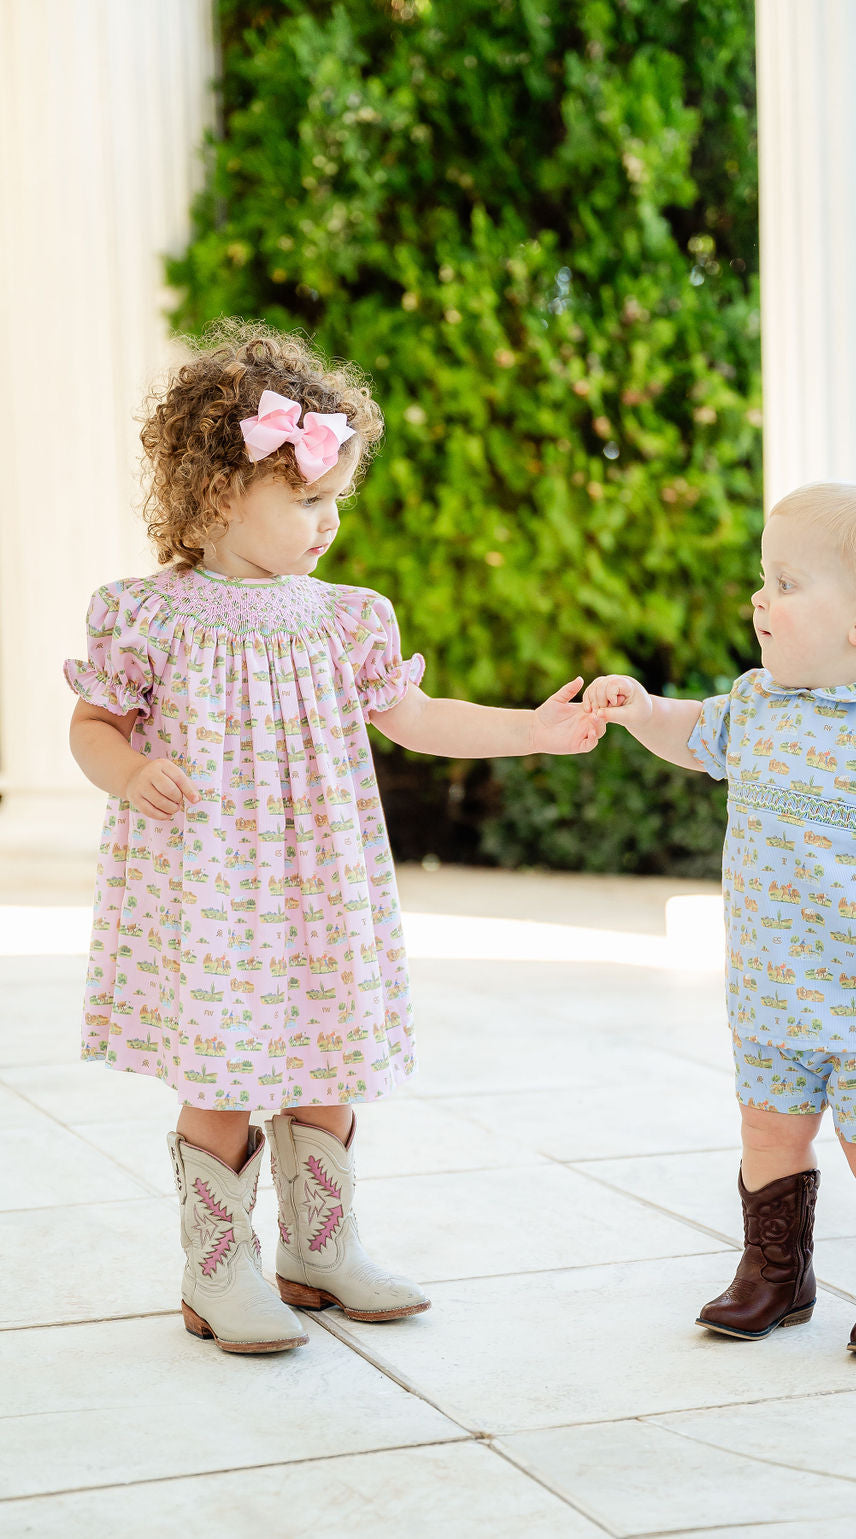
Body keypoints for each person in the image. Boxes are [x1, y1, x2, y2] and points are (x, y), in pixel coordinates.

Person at [64, 320, 603, 1355]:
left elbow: (411, 715)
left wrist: (530, 733)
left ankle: (320, 1250)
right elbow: (94, 728)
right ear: (220, 495)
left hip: (317, 882)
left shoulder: (348, 618)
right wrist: (131, 773)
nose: (328, 522)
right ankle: (215, 1272)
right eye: (307, 498)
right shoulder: (148, 617)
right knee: (223, 1075)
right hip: (210, 884)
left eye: (335, 501)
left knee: (325, 1058)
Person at [583, 481, 856, 1359]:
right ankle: (774, 1270)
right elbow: (690, 730)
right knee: (768, 1129)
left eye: (785, 582)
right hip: (775, 989)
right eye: (763, 578)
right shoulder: (755, 703)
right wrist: (641, 712)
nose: (759, 598)